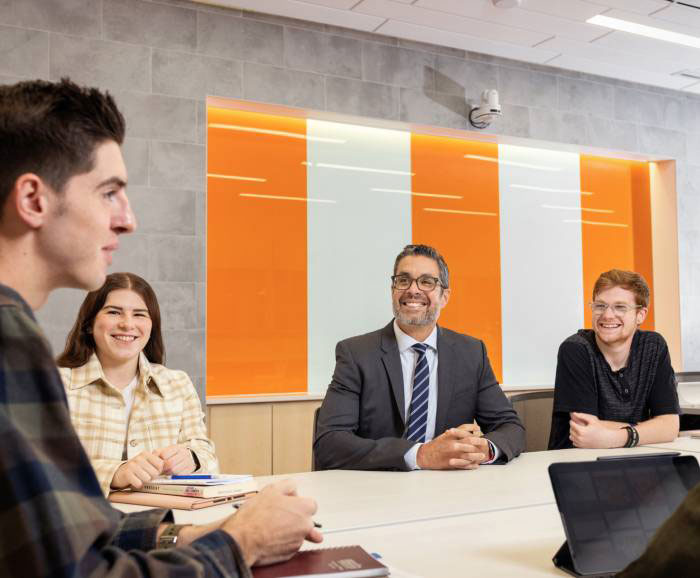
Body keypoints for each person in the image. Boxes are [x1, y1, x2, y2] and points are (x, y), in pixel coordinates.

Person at [0, 78, 320, 576]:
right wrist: (240, 545)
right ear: (34, 200)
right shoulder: (12, 345)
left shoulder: (17, 333)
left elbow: (60, 535)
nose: (128, 220)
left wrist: (187, 532)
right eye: (109, 193)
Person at [314, 244, 525, 471]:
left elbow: (510, 427)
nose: (413, 290)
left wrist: (485, 449)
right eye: (403, 280)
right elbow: (329, 443)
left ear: (444, 296)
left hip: (450, 489)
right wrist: (420, 455)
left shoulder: (471, 353)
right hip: (377, 488)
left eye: (426, 282)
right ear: (393, 290)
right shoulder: (356, 353)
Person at [58, 272, 219, 497]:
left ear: (151, 326)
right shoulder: (55, 384)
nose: (127, 324)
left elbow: (207, 456)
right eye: (114, 312)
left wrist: (191, 458)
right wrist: (114, 473)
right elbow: (38, 468)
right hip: (81, 525)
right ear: (89, 323)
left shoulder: (177, 383)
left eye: (139, 314)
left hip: (164, 518)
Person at [548, 269, 680, 450]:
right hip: (576, 464)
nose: (608, 315)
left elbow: (670, 426)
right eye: (600, 306)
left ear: (640, 315)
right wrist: (651, 429)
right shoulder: (576, 349)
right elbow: (586, 431)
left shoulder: (654, 346)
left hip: (635, 461)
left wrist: (616, 437)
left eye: (620, 307)